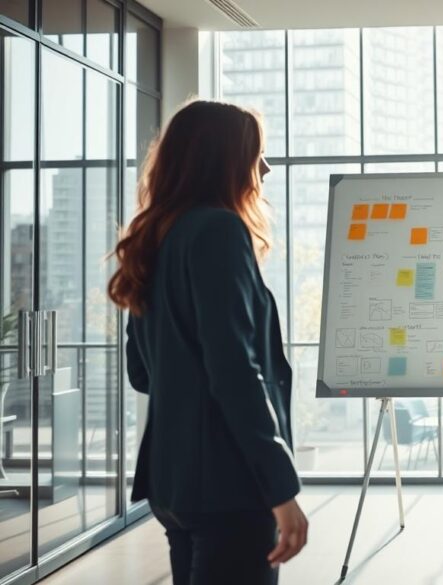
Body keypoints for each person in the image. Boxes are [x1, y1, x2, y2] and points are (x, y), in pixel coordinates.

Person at [108, 100, 308, 585]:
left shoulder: (156, 236)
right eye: (255, 153)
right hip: (228, 487)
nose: (264, 167)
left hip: (175, 485)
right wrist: (281, 491)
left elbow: (142, 372)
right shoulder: (219, 230)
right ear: (223, 159)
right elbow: (236, 371)